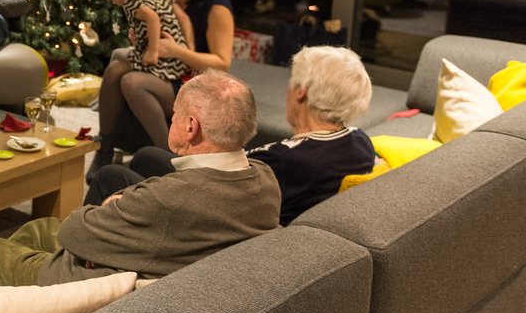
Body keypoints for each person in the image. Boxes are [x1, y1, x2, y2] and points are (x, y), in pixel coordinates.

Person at [0, 71, 279, 312]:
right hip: (166, 261)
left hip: (107, 286)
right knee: (37, 229)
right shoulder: (264, 180)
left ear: (191, 127)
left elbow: (75, 232)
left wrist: (113, 206)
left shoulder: (171, 198)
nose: (171, 120)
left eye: (174, 114)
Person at [89, 46, 376, 225]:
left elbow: (216, 183)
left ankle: (76, 252)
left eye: (292, 83)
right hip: (235, 198)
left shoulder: (282, 161)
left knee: (111, 176)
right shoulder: (359, 141)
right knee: (147, 156)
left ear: (301, 92)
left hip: (211, 213)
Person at [91, 0, 234, 169]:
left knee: (131, 81)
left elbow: (222, 63)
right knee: (116, 64)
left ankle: (169, 156)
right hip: (168, 68)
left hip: (193, 81)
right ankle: (105, 146)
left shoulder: (216, 5)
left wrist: (177, 50)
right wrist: (140, 37)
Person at [95, 0, 191, 84]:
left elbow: (153, 18)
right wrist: (188, 51)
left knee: (117, 57)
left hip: (163, 63)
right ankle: (109, 93)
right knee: (118, 54)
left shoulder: (132, 3)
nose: (112, 1)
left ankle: (107, 94)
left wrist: (152, 51)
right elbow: (183, 18)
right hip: (177, 62)